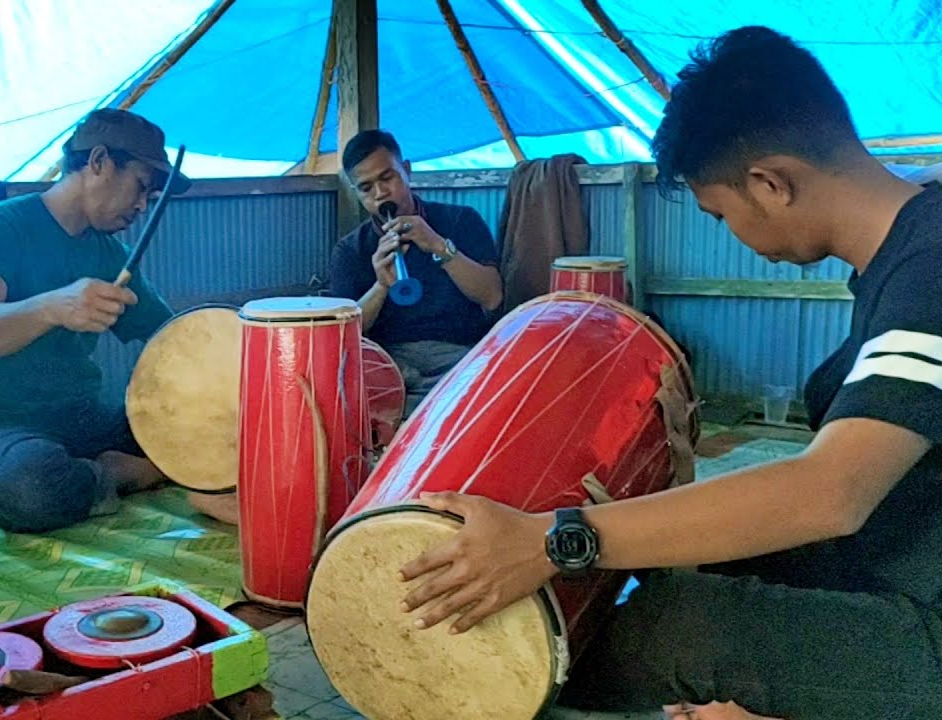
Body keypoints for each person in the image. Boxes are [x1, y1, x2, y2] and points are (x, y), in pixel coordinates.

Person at [396, 26, 941, 720]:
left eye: (720, 215)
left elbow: (831, 493)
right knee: (682, 564)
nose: (732, 234)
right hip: (901, 558)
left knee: (666, 629)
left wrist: (554, 539)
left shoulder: (931, 267)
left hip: (926, 611)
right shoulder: (908, 247)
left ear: (771, 182)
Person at [0, 108, 204, 533]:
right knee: (26, 487)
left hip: (84, 418)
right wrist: (54, 306)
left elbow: (170, 335)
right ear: (99, 161)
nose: (142, 205)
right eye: (141, 186)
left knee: (206, 431)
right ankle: (127, 475)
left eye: (151, 198)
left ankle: (123, 469)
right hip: (4, 428)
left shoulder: (109, 253)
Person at [328, 130, 503, 415]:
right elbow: (344, 334)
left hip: (457, 354)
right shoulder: (350, 250)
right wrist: (381, 287)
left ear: (406, 171)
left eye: (388, 178)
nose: (380, 193)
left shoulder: (460, 220)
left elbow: (493, 296)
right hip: (387, 360)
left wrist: (438, 246)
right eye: (366, 188)